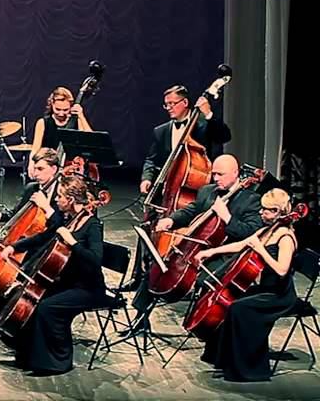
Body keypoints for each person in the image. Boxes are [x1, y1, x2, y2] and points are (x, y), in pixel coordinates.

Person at [124, 154, 264, 336]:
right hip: (198, 247)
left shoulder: (251, 200)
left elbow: (249, 233)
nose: (216, 178)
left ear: (235, 173)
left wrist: (227, 217)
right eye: (214, 174)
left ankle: (202, 325)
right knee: (157, 268)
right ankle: (140, 319)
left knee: (203, 280)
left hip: (226, 253)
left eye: (221, 174)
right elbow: (191, 211)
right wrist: (171, 221)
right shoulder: (208, 191)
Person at [0, 175, 105, 376]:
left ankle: (57, 363)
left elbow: (95, 260)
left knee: (47, 308)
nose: (56, 200)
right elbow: (43, 237)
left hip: (87, 288)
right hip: (67, 282)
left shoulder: (93, 225)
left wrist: (72, 242)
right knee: (31, 302)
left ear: (70, 200)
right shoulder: (69, 220)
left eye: (60, 196)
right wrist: (14, 247)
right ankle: (26, 358)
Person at [195, 188, 299, 382]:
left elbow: (282, 270)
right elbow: (242, 244)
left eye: (265, 209)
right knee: (229, 302)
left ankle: (248, 368)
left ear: (277, 212)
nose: (261, 212)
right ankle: (223, 360)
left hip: (279, 296)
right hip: (265, 289)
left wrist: (261, 250)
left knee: (239, 308)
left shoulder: (286, 237)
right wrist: (211, 252)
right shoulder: (267, 230)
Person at [0, 147, 62, 332]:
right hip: (26, 241)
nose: (35, 173)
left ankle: (18, 316)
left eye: (40, 169)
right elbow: (17, 213)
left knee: (14, 268)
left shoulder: (61, 193)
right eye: (34, 168)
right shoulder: (32, 188)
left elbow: (58, 225)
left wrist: (46, 206)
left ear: (54, 169)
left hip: (46, 245)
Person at [140, 85, 232, 195]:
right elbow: (151, 160)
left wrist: (208, 114)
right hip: (169, 189)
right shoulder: (161, 131)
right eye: (166, 104)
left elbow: (224, 137)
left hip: (201, 188)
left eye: (172, 103)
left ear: (185, 102)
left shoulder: (204, 124)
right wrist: (146, 179)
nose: (168, 108)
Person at [30, 87, 92, 153]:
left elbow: (91, 141)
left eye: (65, 110)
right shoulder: (43, 123)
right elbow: (35, 150)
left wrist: (81, 116)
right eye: (57, 109)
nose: (61, 114)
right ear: (52, 104)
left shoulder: (77, 120)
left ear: (71, 106)